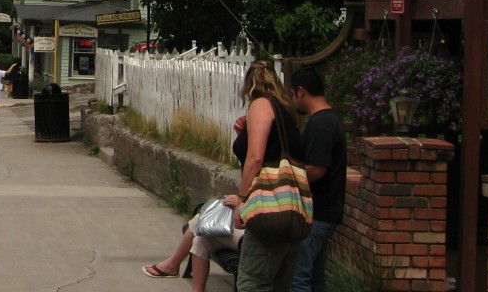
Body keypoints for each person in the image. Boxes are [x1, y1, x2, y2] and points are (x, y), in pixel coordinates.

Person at [233, 60, 305, 292]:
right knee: (279, 284)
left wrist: (241, 200)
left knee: (251, 283)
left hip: (269, 212)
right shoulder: (286, 112)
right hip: (292, 209)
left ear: (250, 86)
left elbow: (255, 158)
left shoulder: (261, 105)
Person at [287, 67, 346, 292]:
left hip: (317, 212)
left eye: (292, 95)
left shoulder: (320, 124)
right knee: (315, 277)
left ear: (301, 91)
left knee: (299, 277)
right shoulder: (331, 119)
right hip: (325, 211)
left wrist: (287, 180)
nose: (293, 102)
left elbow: (316, 169)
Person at [142, 204, 244, 289]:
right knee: (200, 238)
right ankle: (174, 267)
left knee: (201, 221)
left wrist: (240, 200)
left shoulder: (259, 184)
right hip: (246, 229)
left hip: (251, 238)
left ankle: (172, 265)